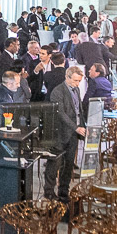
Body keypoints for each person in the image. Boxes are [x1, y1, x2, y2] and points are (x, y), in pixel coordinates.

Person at [45, 67, 87, 202]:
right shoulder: (58, 92)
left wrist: (82, 126)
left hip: (73, 134)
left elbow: (78, 110)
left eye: (79, 81)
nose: (77, 84)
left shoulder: (77, 89)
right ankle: (49, 191)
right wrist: (76, 127)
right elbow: (61, 114)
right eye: (75, 80)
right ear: (67, 77)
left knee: (68, 164)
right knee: (54, 164)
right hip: (60, 133)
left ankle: (64, 192)